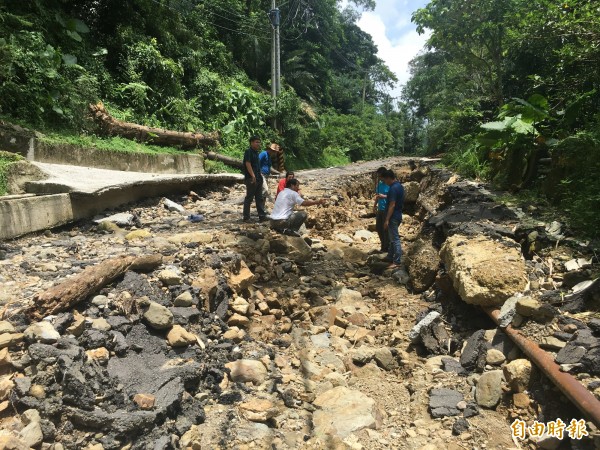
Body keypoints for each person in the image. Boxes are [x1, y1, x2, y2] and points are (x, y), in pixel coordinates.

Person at [382, 169, 404, 267]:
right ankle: (390, 256)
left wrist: (387, 219)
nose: (384, 183)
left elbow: (392, 204)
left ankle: (397, 261)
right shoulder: (399, 186)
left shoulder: (393, 188)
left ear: (388, 178)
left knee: (395, 239)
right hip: (398, 214)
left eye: (384, 180)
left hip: (393, 216)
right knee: (392, 238)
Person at [242, 135, 268, 222]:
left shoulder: (256, 153)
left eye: (259, 142)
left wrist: (259, 175)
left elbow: (257, 166)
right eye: (256, 142)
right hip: (251, 178)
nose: (258, 144)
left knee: (259, 198)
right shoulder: (248, 152)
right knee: (249, 198)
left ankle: (262, 216)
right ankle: (246, 217)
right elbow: (248, 163)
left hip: (258, 178)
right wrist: (252, 175)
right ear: (251, 142)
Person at [373, 167, 390, 253]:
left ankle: (387, 248)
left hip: (387, 210)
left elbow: (393, 197)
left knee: (386, 229)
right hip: (380, 209)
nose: (379, 178)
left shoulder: (389, 184)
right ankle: (383, 245)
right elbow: (377, 195)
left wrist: (383, 196)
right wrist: (374, 205)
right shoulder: (379, 184)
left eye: (380, 176)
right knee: (379, 228)